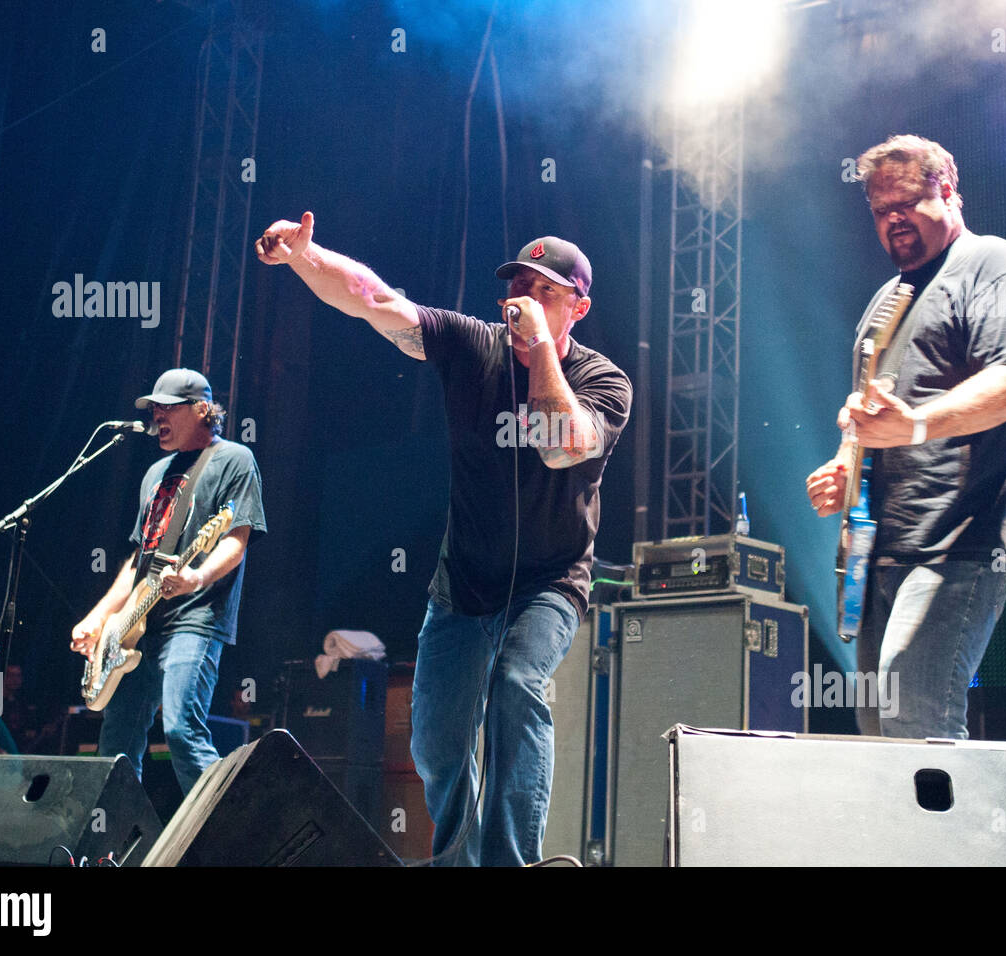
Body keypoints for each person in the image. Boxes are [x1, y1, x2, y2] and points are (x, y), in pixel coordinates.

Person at [256, 215, 631, 865]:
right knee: (437, 745)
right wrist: (304, 256)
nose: (524, 299)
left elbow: (558, 440)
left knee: (516, 683)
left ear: (579, 306)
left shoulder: (605, 383)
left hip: (549, 583)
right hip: (463, 581)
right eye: (518, 284)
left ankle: (510, 860)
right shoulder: (470, 344)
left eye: (545, 291)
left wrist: (542, 349)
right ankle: (457, 859)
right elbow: (376, 300)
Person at [805, 135, 1006, 740]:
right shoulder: (885, 303)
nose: (894, 220)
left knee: (915, 719)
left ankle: (964, 837)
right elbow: (865, 416)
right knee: (878, 734)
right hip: (879, 550)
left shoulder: (996, 264)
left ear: (948, 189)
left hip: (962, 542)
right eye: (880, 210)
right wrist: (844, 465)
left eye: (907, 202)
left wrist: (912, 425)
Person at [70, 369, 265, 794]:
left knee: (181, 729)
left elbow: (236, 538)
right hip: (137, 628)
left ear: (201, 410)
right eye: (154, 408)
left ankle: (230, 837)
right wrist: (97, 618)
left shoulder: (234, 459)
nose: (157, 416)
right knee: (115, 744)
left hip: (194, 619)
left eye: (167, 408)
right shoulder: (154, 473)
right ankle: (114, 848)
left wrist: (197, 576)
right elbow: (137, 564)